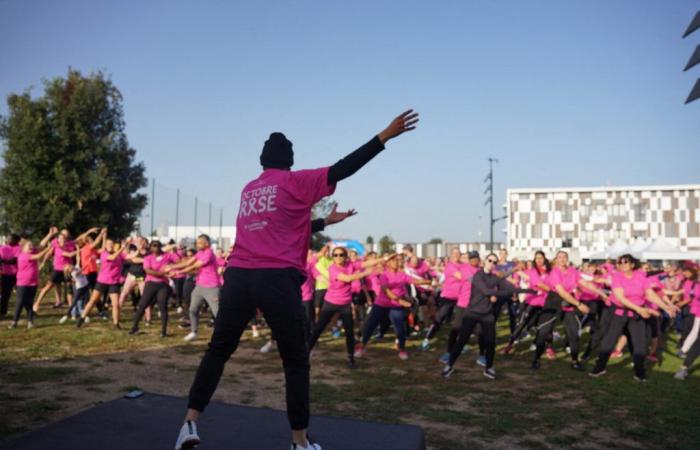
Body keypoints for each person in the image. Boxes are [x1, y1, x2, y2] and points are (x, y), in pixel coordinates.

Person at [174, 109, 419, 450]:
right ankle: (299, 443)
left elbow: (281, 224)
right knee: (295, 361)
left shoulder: (250, 189)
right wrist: (383, 137)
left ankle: (189, 423)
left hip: (239, 276)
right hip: (275, 278)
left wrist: (322, 224)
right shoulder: (294, 181)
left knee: (218, 351)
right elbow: (342, 168)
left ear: (263, 161)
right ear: (289, 161)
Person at [441, 253, 534, 380]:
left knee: (490, 342)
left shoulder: (494, 277)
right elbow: (487, 291)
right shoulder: (477, 276)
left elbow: (509, 287)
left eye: (495, 262)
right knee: (462, 340)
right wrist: (503, 293)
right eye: (490, 260)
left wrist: (527, 291)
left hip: (487, 314)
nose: (492, 263)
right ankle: (449, 365)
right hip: (472, 313)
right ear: (484, 261)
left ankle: (489, 368)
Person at [590, 254, 678, 381]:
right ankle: (600, 367)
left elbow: (650, 294)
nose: (622, 265)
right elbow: (621, 298)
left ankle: (639, 372)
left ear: (632, 264)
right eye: (620, 263)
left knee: (640, 345)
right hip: (619, 313)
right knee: (608, 342)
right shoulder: (616, 277)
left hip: (637, 315)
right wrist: (641, 309)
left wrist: (666, 307)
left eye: (626, 262)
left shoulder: (641, 277)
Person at [307, 245, 382, 368]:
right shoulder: (332, 268)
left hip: (345, 304)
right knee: (318, 328)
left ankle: (350, 358)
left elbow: (366, 263)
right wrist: (367, 272)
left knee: (349, 332)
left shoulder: (351, 265)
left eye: (341, 255)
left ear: (345, 257)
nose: (338, 257)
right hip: (330, 302)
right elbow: (348, 278)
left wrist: (383, 259)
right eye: (335, 255)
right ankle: (306, 352)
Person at [354, 253, 432, 360]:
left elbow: (415, 281)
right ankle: (361, 346)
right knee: (371, 325)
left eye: (398, 260)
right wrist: (400, 300)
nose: (397, 262)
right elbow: (386, 291)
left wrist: (428, 281)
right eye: (394, 260)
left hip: (395, 306)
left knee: (400, 328)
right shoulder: (384, 275)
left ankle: (402, 348)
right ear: (388, 263)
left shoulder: (402, 275)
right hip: (381, 304)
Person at [166, 234, 220, 342]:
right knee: (192, 309)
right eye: (197, 242)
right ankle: (194, 332)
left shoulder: (209, 253)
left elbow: (195, 266)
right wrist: (172, 266)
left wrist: (177, 271)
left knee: (217, 313)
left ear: (207, 243)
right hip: (199, 286)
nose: (197, 244)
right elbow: (187, 262)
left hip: (212, 287)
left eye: (200, 242)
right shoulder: (200, 252)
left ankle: (224, 334)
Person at [77, 229, 129, 328]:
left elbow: (130, 257)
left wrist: (138, 251)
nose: (110, 245)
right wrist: (122, 248)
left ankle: (116, 323)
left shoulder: (119, 255)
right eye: (108, 243)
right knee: (93, 301)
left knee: (115, 304)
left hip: (114, 282)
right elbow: (112, 257)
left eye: (111, 243)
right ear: (105, 245)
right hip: (102, 281)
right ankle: (82, 318)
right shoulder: (104, 254)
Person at [128, 240, 178, 337]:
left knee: (162, 307)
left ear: (160, 246)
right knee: (142, 305)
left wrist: (174, 270)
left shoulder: (168, 256)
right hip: (151, 283)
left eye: (158, 246)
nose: (156, 248)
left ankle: (163, 331)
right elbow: (148, 271)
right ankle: (134, 327)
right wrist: (163, 273)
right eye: (153, 246)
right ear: (150, 248)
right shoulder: (148, 258)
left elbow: (179, 262)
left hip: (163, 285)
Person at [8, 228, 56, 329]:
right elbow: (39, 256)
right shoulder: (23, 256)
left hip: (33, 283)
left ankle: (30, 322)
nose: (31, 247)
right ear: (23, 248)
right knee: (20, 302)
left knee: (29, 302)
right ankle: (14, 322)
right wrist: (50, 247)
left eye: (32, 245)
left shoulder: (32, 251)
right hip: (22, 283)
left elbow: (41, 245)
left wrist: (49, 234)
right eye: (29, 246)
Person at [421, 248, 463, 350]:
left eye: (458, 253)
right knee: (439, 318)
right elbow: (460, 276)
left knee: (460, 320)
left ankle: (459, 342)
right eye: (454, 253)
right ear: (451, 255)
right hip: (447, 297)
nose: (456, 255)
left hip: (460, 297)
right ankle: (427, 339)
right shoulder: (449, 266)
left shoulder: (463, 266)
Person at [33, 228, 78, 311]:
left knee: (69, 289)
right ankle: (37, 303)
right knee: (48, 286)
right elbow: (69, 255)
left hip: (68, 270)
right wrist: (43, 262)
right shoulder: (57, 247)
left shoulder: (70, 244)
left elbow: (80, 238)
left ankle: (71, 307)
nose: (63, 239)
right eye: (61, 237)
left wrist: (89, 231)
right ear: (58, 239)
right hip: (58, 270)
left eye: (64, 237)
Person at [0, 233, 21, 317]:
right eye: (7, 238)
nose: (8, 240)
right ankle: (2, 312)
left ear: (15, 240)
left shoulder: (18, 248)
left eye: (11, 239)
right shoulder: (2, 248)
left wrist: (3, 261)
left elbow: (14, 261)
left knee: (22, 294)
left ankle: (29, 311)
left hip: (16, 274)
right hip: (5, 274)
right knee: (5, 293)